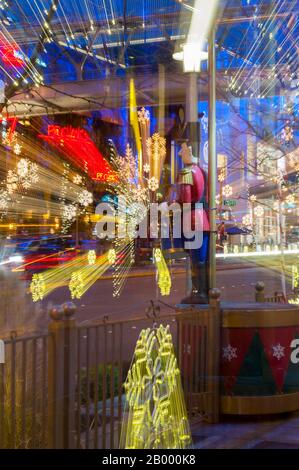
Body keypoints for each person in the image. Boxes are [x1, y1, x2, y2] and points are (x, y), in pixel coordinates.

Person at [176, 141, 210, 304]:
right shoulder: (202, 171)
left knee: (195, 259)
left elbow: (185, 199)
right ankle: (203, 291)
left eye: (181, 150)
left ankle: (199, 293)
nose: (179, 154)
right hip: (203, 219)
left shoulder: (186, 172)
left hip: (191, 220)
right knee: (201, 259)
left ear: (189, 152)